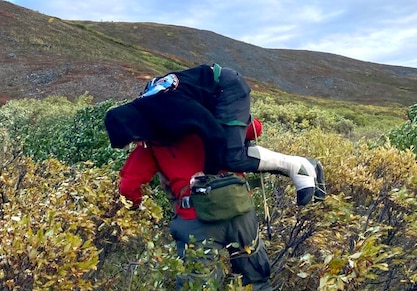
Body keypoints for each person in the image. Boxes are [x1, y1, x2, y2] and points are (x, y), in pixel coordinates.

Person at [118, 130, 283, 291]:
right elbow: (254, 127)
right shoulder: (214, 116)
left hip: (195, 222)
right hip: (239, 211)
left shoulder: (154, 137)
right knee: (256, 280)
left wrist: (136, 204)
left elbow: (128, 185)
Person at [105, 64, 326, 207]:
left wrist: (207, 173)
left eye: (133, 140)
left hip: (226, 87)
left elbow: (210, 129)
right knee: (228, 148)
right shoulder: (150, 110)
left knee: (229, 155)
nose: (138, 144)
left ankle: (297, 166)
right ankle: (308, 168)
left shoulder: (169, 107)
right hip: (212, 95)